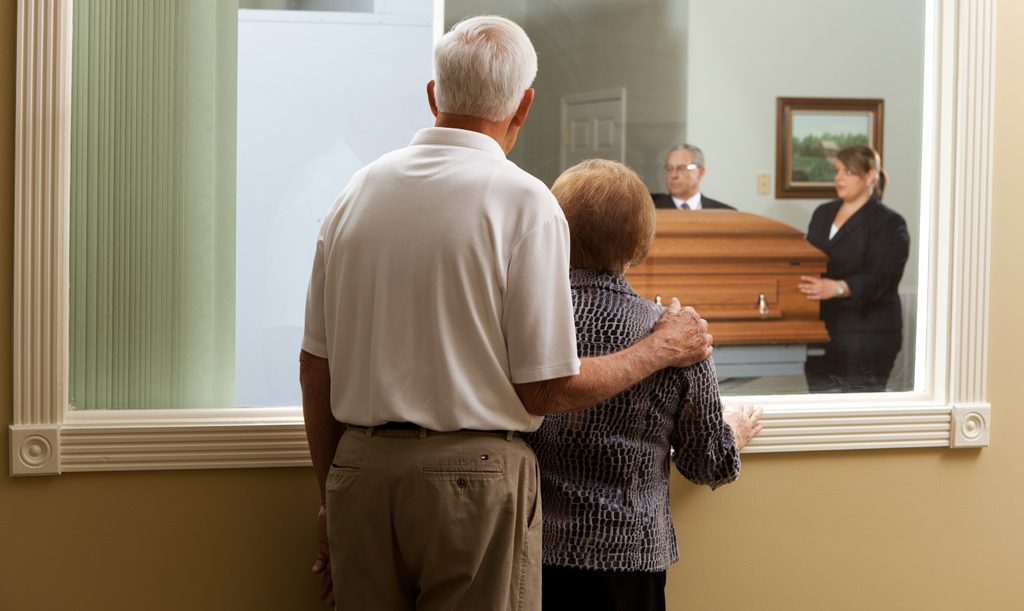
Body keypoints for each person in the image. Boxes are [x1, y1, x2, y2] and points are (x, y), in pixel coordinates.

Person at [300, 16, 714, 610]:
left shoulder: (355, 194)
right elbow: (544, 389)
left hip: (360, 475)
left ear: (433, 94)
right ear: (524, 106)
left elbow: (316, 367)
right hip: (473, 481)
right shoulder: (525, 202)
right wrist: (659, 347)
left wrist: (329, 497)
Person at [523, 159, 762, 611]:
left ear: (556, 233)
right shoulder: (677, 337)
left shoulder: (524, 322)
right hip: (629, 558)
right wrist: (734, 430)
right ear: (638, 246)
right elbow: (709, 463)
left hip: (533, 550)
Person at [798, 145, 910, 392]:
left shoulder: (890, 223)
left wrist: (838, 287)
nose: (838, 177)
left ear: (870, 175)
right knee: (822, 412)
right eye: (837, 170)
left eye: (848, 171)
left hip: (869, 333)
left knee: (857, 416)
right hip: (822, 330)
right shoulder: (823, 213)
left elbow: (884, 277)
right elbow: (809, 259)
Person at [650, 144, 736, 210]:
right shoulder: (651, 210)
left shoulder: (725, 213)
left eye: (681, 168)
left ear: (700, 172)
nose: (673, 175)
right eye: (669, 168)